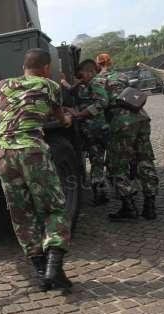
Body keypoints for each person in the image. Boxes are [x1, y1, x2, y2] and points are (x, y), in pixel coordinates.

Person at [0, 48, 73, 291]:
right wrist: (68, 119)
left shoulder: (3, 85)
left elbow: (1, 112)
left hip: (3, 151)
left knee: (21, 212)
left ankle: (41, 271)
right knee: (54, 207)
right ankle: (52, 265)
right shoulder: (50, 86)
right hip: (32, 150)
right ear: (46, 68)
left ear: (23, 67)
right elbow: (60, 119)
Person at [95, 53, 159, 220]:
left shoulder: (98, 80)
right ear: (111, 62)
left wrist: (80, 114)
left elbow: (101, 103)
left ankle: (128, 207)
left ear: (97, 64)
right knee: (144, 160)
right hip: (141, 117)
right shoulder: (122, 76)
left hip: (122, 123)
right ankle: (150, 206)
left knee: (116, 164)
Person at [64, 59, 110, 205]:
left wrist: (80, 114)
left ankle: (109, 193)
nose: (80, 76)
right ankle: (100, 192)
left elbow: (103, 102)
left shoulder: (96, 83)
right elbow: (73, 91)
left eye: (82, 73)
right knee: (96, 160)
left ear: (90, 72)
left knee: (103, 160)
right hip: (90, 130)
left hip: (98, 129)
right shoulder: (85, 85)